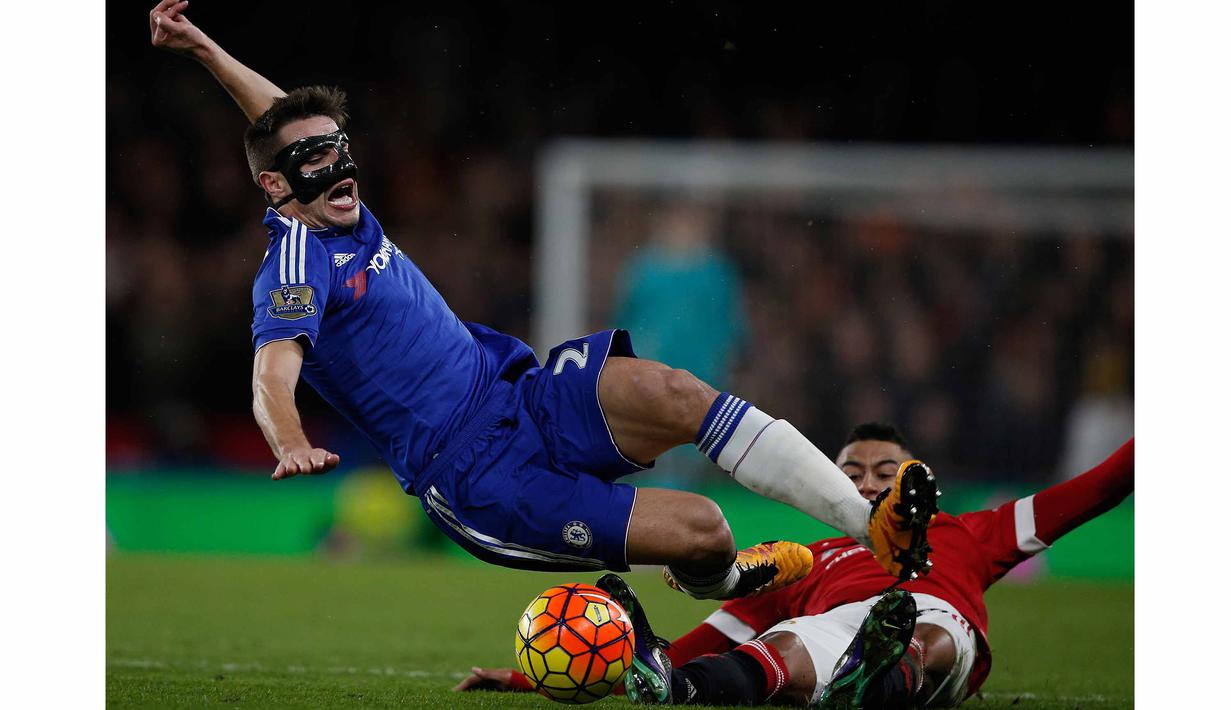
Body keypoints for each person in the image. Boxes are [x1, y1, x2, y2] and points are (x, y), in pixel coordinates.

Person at [146, 0, 937, 602]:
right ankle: (722, 581)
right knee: (706, 532)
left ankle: (871, 524)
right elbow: (272, 369)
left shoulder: (337, 207)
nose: (339, 163)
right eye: (316, 158)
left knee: (673, 390)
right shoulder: (296, 259)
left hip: (518, 398)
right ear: (275, 185)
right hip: (477, 479)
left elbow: (280, 123)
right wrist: (288, 440)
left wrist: (206, 50)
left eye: (339, 147)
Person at [455, 425, 1134, 709]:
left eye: (885, 472)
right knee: (779, 648)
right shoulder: (805, 560)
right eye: (850, 473)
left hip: (932, 619)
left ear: (913, 482)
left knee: (929, 634)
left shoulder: (968, 532)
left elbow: (1101, 486)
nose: (866, 483)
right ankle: (682, 696)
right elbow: (703, 642)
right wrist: (537, 677)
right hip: (837, 629)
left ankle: (886, 668)